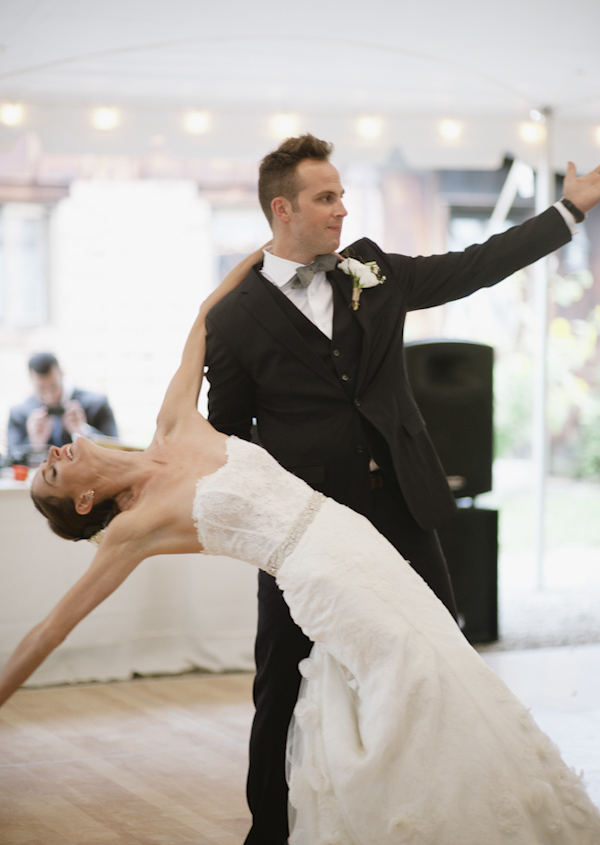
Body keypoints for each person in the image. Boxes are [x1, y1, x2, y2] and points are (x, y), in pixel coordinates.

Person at [0, 246, 599, 845]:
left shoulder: (174, 424)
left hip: (352, 534)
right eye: (54, 474)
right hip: (319, 575)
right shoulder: (134, 529)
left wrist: (271, 252)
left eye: (49, 464)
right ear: (83, 504)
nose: (53, 455)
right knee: (412, 679)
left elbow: (205, 315)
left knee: (442, 657)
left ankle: (496, 801)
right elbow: (53, 627)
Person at [204, 133, 600, 844]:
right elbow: (229, 437)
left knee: (443, 656)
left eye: (342, 195)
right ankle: (268, 830)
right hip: (307, 530)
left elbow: (473, 267)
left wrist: (568, 212)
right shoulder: (231, 321)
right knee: (281, 678)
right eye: (326, 198)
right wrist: (270, 520)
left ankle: (457, 811)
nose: (341, 210)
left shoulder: (372, 269)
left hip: (403, 508)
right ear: (282, 208)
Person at [7, 353, 118, 462]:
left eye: (53, 387)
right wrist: (35, 445)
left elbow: (117, 454)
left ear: (62, 374)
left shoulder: (97, 404)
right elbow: (9, 463)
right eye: (41, 389)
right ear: (31, 381)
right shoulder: (18, 414)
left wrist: (83, 432)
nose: (49, 396)